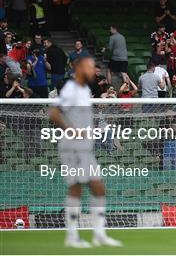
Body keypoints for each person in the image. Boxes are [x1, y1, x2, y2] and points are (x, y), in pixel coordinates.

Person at [48, 56, 122, 247]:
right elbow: (54, 113)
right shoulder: (70, 89)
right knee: (77, 188)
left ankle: (99, 233)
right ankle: (72, 235)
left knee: (98, 187)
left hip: (85, 147)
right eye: (89, 67)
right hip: (71, 146)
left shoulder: (85, 89)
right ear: (79, 68)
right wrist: (71, 131)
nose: (92, 70)